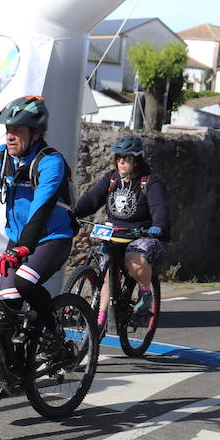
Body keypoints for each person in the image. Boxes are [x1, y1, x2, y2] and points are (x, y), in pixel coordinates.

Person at [0, 94, 75, 406]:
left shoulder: (50, 162)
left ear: (36, 133)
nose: (10, 135)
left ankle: (54, 336)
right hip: (21, 240)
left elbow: (41, 211)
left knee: (25, 282)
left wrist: (22, 248)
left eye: (18, 129)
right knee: (8, 310)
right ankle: (7, 376)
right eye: (8, 128)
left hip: (52, 237)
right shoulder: (4, 157)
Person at [71, 133, 169, 325]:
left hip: (142, 234)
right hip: (115, 232)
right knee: (106, 274)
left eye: (127, 158)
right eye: (118, 157)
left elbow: (159, 207)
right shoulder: (111, 179)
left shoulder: (149, 181)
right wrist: (74, 213)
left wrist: (158, 226)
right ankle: (99, 321)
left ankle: (145, 292)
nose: (122, 161)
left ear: (137, 160)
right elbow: (92, 200)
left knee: (134, 258)